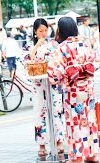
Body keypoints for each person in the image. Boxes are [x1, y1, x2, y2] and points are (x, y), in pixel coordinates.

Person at [48, 17, 99, 163]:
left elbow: (53, 74)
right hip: (88, 89)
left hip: (72, 91)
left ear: (61, 30)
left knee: (74, 122)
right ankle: (92, 154)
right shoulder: (85, 43)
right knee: (89, 120)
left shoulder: (62, 48)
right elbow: (93, 63)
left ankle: (77, 156)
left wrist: (61, 78)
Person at [28, 18, 65, 158]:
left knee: (56, 111)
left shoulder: (53, 45)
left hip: (53, 83)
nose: (43, 33)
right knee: (39, 112)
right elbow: (29, 59)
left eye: (45, 30)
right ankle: (42, 144)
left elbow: (58, 60)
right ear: (35, 32)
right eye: (40, 31)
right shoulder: (31, 46)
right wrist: (37, 45)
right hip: (38, 85)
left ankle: (59, 141)